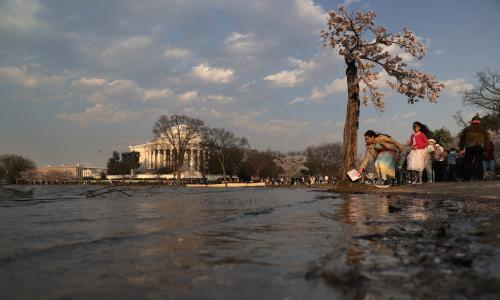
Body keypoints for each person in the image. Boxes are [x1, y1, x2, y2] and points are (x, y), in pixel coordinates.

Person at [459, 114, 490, 181]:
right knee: (479, 162)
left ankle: (466, 178)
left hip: (469, 147)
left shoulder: (467, 129)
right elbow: (487, 141)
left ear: (472, 121)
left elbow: (462, 140)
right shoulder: (483, 129)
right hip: (479, 147)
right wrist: (486, 150)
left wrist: (461, 149)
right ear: (479, 121)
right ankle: (479, 177)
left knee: (468, 162)